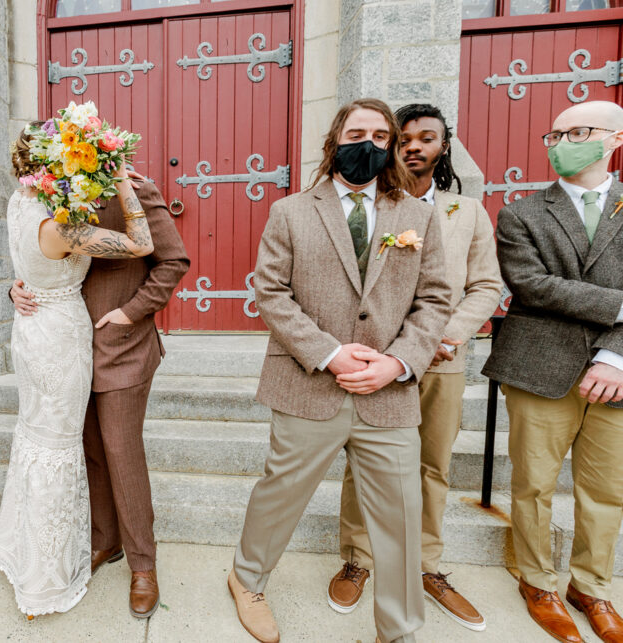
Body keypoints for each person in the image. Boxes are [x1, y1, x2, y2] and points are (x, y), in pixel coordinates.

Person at [227, 99, 452, 643]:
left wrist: (398, 361)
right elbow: (270, 292)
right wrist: (329, 352)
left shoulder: (419, 216)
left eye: (381, 136)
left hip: (388, 392)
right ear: (334, 140)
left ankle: (398, 628)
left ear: (393, 146)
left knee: (401, 515)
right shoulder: (291, 211)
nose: (369, 144)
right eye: (357, 133)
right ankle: (246, 579)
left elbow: (437, 298)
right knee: (280, 493)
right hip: (308, 382)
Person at [331, 104, 501, 631]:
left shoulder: (466, 211)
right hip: (376, 362)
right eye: (402, 138)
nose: (412, 146)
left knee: (432, 466)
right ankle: (357, 558)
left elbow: (486, 286)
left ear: (442, 147)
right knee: (364, 460)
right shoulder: (367, 205)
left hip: (442, 362)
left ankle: (425, 565)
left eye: (426, 138)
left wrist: (444, 337)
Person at [10, 170, 189, 618]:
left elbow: (172, 262)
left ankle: (143, 566)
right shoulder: (51, 201)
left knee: (122, 456)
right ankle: (105, 540)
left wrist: (131, 313)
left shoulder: (137, 190)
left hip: (120, 351)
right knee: (89, 452)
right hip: (65, 352)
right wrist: (18, 289)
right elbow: (42, 258)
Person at [0, 126, 155, 618]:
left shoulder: (18, 202)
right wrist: (123, 183)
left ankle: (28, 551)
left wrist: (18, 288)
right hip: (61, 337)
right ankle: (45, 572)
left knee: (38, 438)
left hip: (32, 330)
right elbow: (142, 244)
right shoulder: (63, 227)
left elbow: (26, 264)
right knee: (60, 448)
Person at [482, 100, 623, 643]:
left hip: (617, 371)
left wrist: (615, 354)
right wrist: (620, 305)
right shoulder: (521, 213)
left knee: (607, 490)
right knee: (533, 483)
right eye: (555, 135)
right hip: (539, 365)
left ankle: (592, 586)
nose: (562, 143)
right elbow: (532, 285)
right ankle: (537, 579)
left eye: (578, 132)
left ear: (612, 139)